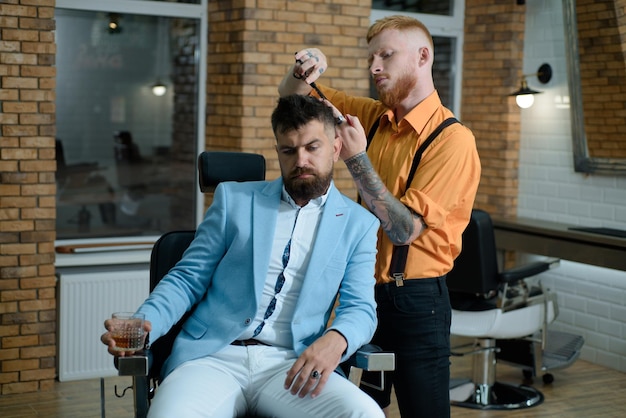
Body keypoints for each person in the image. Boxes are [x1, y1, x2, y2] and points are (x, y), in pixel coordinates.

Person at [101, 94, 385, 418]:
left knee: (365, 414)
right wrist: (145, 323)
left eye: (312, 147)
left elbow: (360, 307)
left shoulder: (359, 224)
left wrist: (337, 339)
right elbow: (187, 279)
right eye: (289, 150)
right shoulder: (234, 199)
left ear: (335, 148)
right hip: (213, 358)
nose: (300, 160)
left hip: (292, 364)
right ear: (278, 151)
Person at [279, 15, 481, 418]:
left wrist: (356, 159)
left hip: (416, 303)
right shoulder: (373, 118)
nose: (374, 68)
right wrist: (304, 64)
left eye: (386, 56)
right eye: (372, 57)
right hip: (360, 296)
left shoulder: (453, 140)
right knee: (349, 407)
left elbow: (404, 230)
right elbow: (291, 99)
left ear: (423, 56)